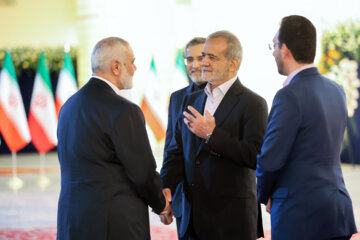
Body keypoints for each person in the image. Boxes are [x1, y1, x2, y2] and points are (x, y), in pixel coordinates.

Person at [57, 37, 171, 240]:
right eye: (132, 62)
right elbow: (142, 173)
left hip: (72, 220)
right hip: (113, 224)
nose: (135, 68)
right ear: (116, 66)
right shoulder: (124, 110)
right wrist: (162, 204)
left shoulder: (68, 106)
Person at [256, 15, 357, 240]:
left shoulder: (289, 95)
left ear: (285, 50)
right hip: (336, 209)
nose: (273, 52)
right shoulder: (337, 90)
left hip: (300, 214)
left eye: (274, 45)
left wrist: (264, 194)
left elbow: (270, 159)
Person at [160, 30, 268, 240]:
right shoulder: (190, 100)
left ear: (233, 63)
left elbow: (256, 156)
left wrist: (212, 134)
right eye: (203, 56)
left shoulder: (253, 103)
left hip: (232, 220)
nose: (203, 63)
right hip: (191, 218)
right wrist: (166, 191)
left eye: (212, 57)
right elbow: (175, 152)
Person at [161, 37, 207, 232]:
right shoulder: (177, 98)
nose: (194, 65)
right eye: (189, 59)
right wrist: (165, 193)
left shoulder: (226, 97)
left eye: (200, 58)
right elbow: (172, 150)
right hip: (185, 202)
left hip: (220, 203)